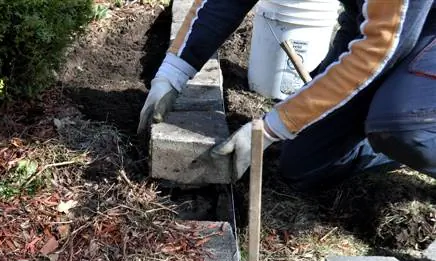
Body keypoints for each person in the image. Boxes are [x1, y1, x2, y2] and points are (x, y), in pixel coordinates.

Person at [138, 0, 436, 191]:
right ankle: (383, 134)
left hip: (417, 32)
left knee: (402, 126)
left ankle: (408, 127)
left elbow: (381, 47)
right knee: (304, 164)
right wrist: (173, 72)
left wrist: (272, 126)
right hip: (372, 23)